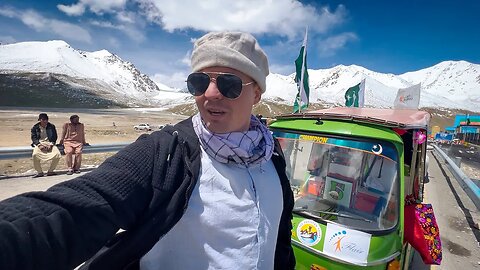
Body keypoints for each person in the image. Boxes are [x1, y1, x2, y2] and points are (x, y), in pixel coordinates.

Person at [0, 31, 295, 270]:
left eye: (229, 84)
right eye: (199, 82)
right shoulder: (167, 153)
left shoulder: (271, 155)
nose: (210, 94)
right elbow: (77, 208)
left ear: (256, 93)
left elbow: (278, 237)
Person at [30, 113, 61, 177]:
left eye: (46, 119)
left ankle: (50, 171)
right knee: (35, 155)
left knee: (57, 155)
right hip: (40, 142)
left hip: (49, 142)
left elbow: (55, 136)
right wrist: (39, 145)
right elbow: (34, 137)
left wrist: (51, 144)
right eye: (43, 119)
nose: (45, 121)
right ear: (40, 120)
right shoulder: (35, 127)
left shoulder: (51, 126)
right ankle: (40, 172)